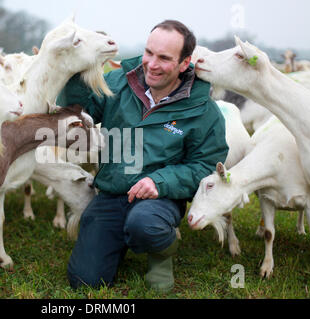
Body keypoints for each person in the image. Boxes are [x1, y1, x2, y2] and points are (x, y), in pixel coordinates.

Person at [57, 20, 229, 293]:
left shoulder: (203, 111)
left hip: (160, 199)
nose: (151, 64)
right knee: (85, 280)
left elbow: (204, 165)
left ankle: (161, 253)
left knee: (144, 224)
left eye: (164, 58)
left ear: (185, 63)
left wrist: (160, 181)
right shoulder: (118, 82)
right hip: (113, 193)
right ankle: (117, 241)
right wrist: (75, 67)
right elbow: (80, 109)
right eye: (149, 52)